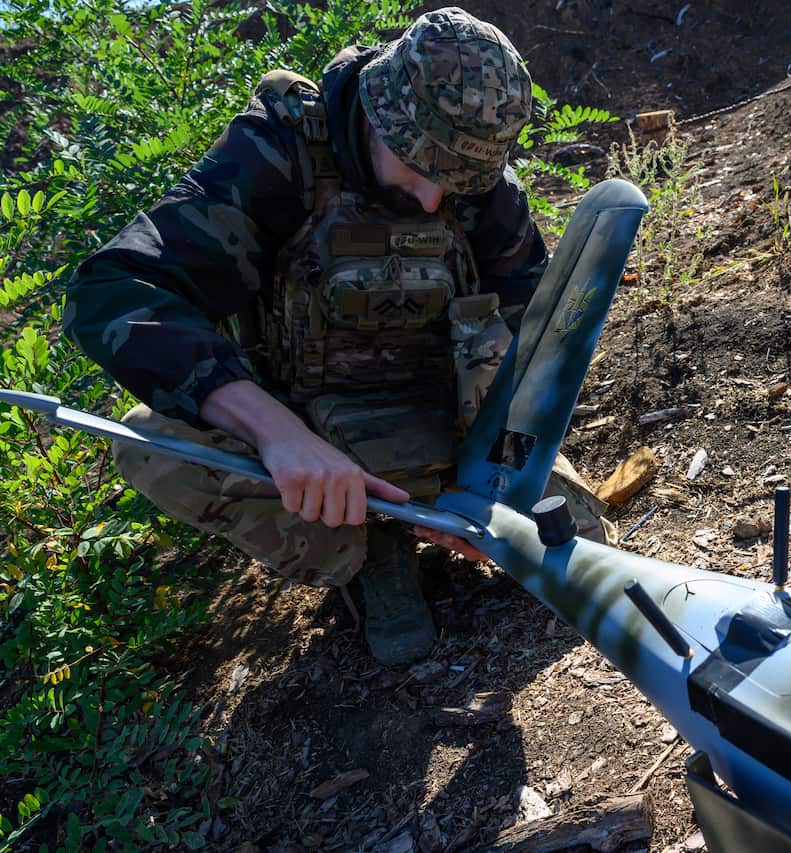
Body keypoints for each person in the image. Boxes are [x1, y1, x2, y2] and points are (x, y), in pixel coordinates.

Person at [62, 7, 611, 666]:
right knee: (151, 446)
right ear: (378, 112)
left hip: (453, 432)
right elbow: (111, 290)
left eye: (455, 179)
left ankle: (439, 511)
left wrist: (496, 475)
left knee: (582, 547)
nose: (434, 197)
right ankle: (363, 546)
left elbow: (538, 341)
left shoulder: (477, 178)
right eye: (416, 164)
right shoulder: (279, 156)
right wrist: (274, 431)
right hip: (313, 455)